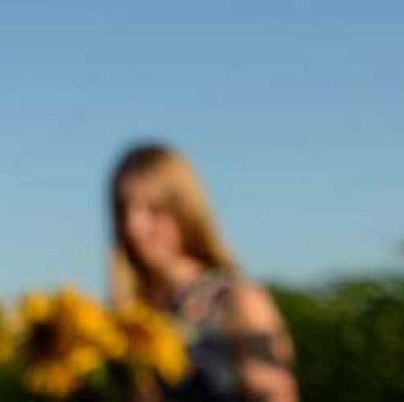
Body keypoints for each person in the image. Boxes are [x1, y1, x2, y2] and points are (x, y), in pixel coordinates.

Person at [109, 143, 297, 402]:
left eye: (153, 209)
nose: (133, 226)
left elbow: (274, 394)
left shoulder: (235, 302)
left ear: (184, 209)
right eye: (123, 210)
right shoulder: (126, 318)